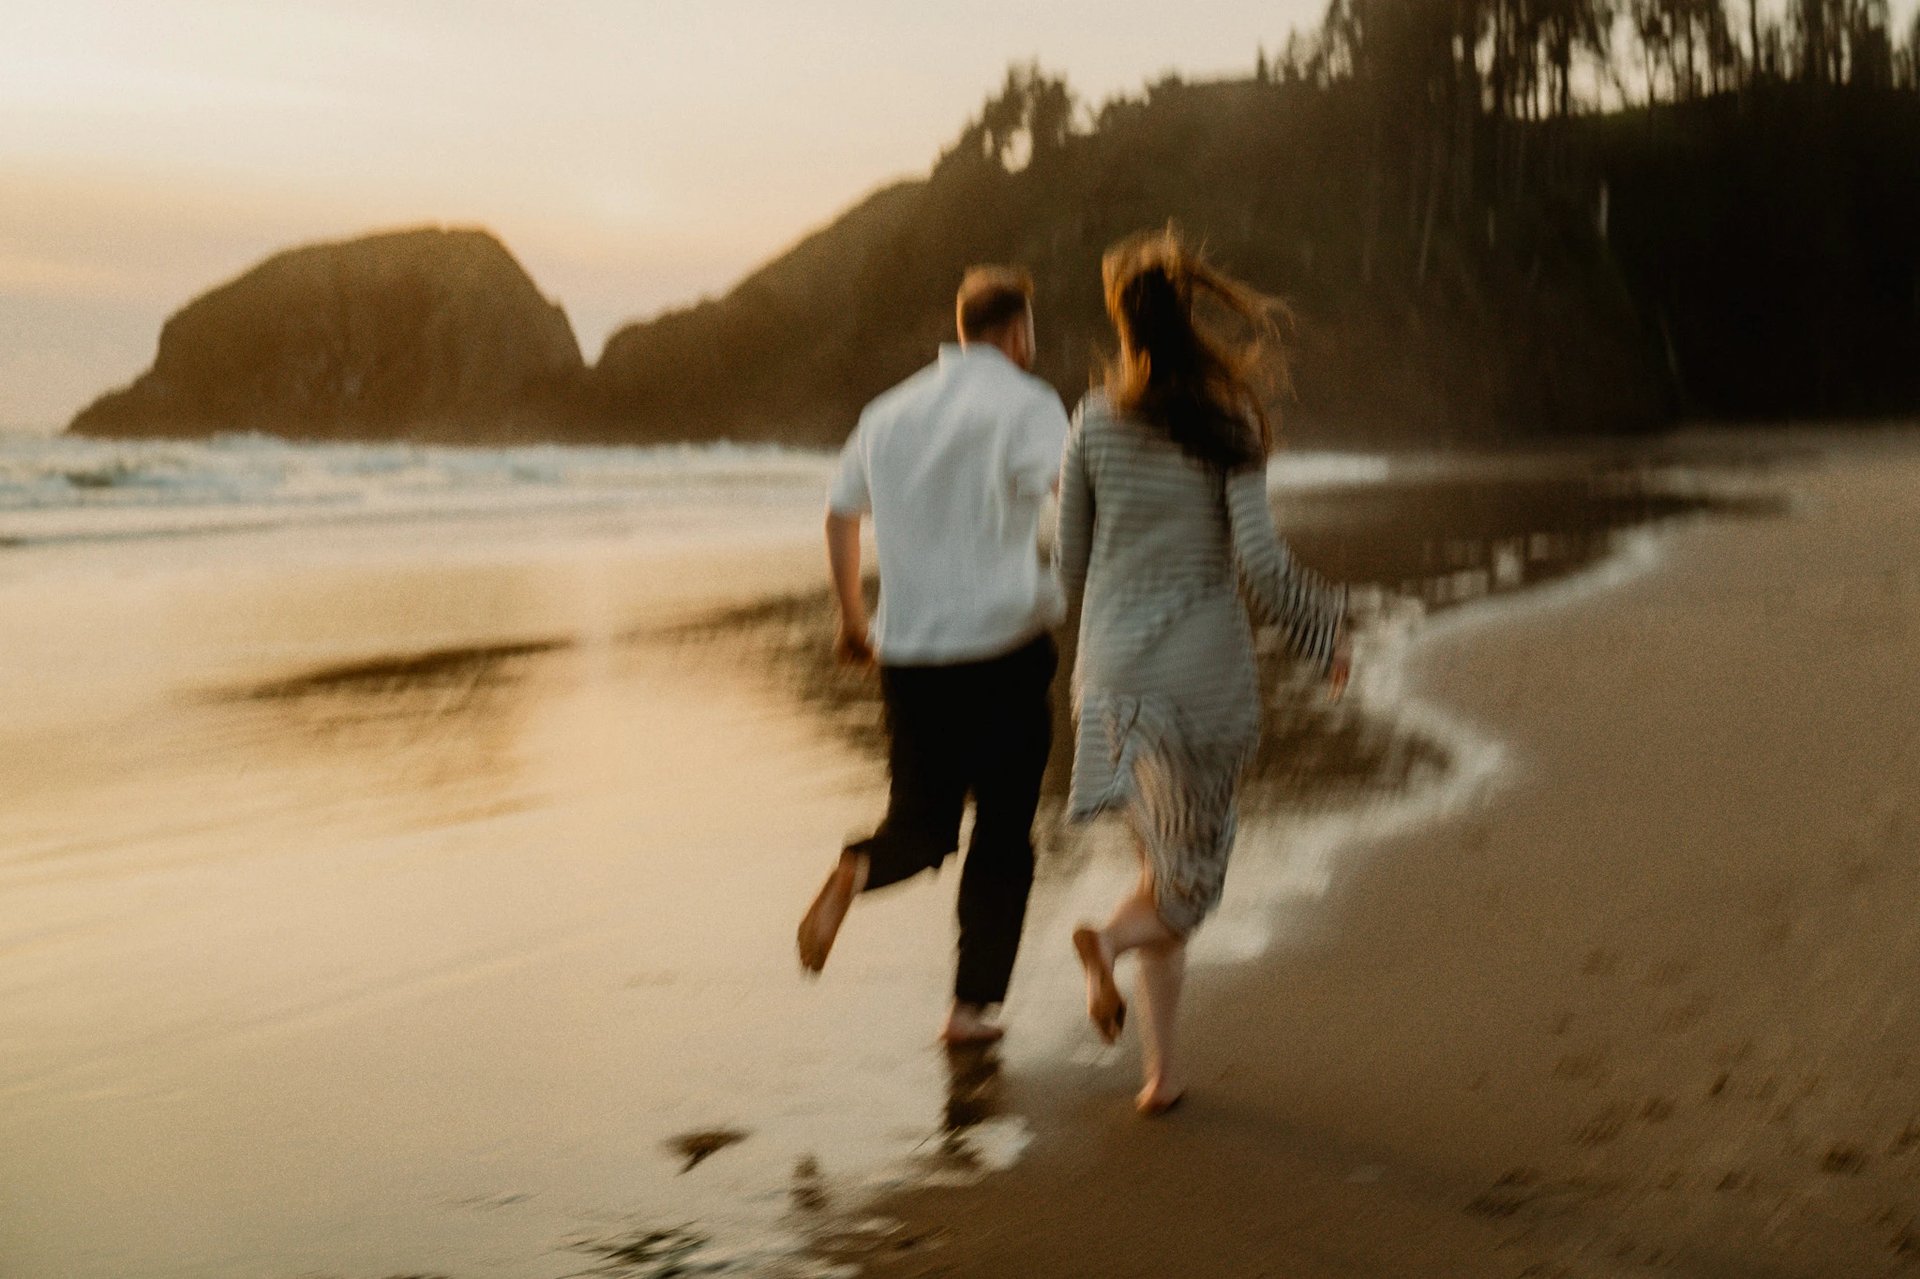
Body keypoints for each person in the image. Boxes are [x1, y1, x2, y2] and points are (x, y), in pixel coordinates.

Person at [1058, 230, 1351, 1115]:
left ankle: (1163, 1073)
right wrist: (1323, 627)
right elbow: (1260, 564)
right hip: (1199, 690)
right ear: (1189, 319)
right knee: (1191, 884)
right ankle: (1106, 945)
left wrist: (1096, 640)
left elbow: (1070, 565)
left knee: (1160, 867)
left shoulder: (1091, 423)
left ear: (1122, 326)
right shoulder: (1227, 423)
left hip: (1111, 687)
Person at [796, 266, 1071, 1047]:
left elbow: (841, 511)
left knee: (921, 825)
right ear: (1018, 334)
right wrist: (1070, 579)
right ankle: (967, 1009)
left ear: (960, 330)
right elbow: (1072, 494)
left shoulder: (889, 411)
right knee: (1002, 833)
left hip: (909, 657)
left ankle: (857, 866)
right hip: (1004, 652)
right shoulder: (1028, 403)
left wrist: (855, 621)